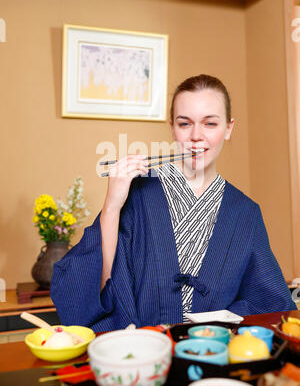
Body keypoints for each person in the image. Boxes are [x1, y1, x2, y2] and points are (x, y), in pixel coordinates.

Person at [50, 74, 297, 331]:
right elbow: (90, 289)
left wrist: (217, 324)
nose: (196, 136)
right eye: (184, 123)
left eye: (210, 123)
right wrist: (112, 206)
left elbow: (268, 303)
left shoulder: (245, 212)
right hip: (143, 355)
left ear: (228, 128)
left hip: (213, 354)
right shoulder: (138, 194)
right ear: (172, 126)